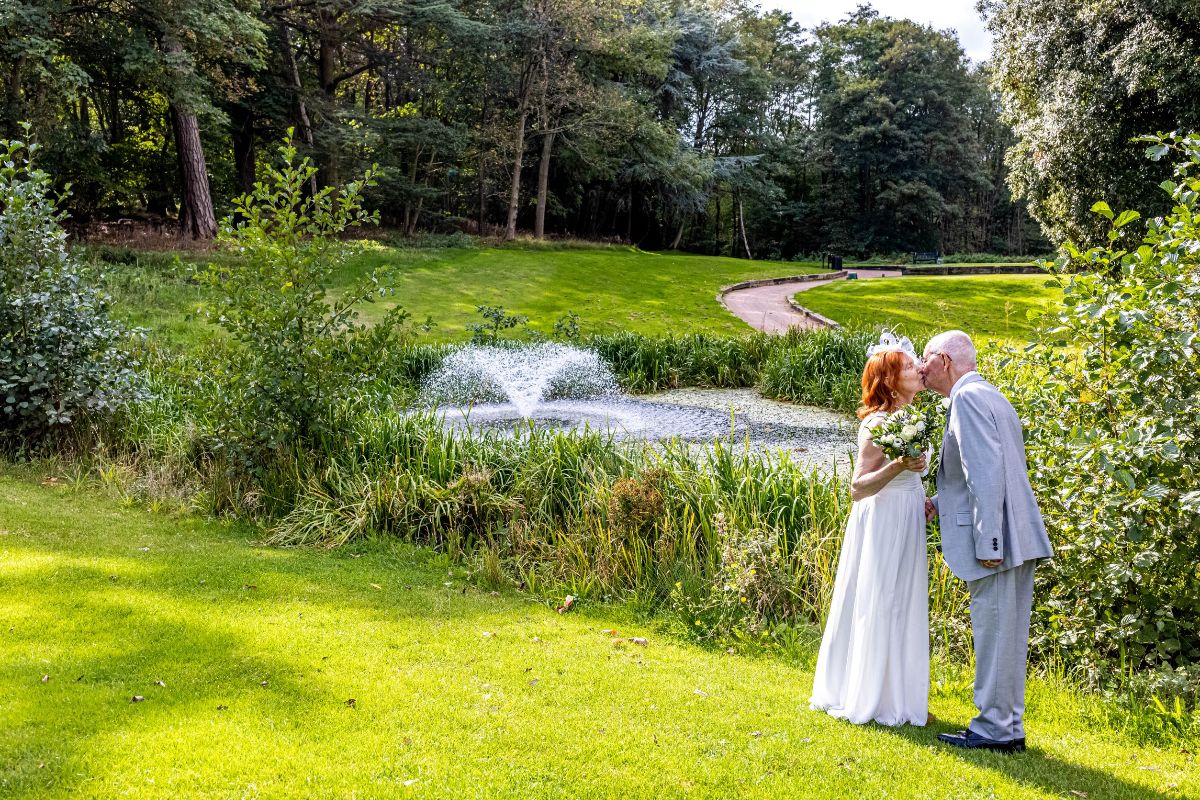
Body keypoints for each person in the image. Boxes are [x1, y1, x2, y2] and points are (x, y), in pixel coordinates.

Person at [919, 330, 1053, 753]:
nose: (921, 370)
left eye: (925, 360)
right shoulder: (992, 395)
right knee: (1007, 639)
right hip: (1019, 534)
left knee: (996, 636)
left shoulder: (967, 399)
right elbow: (991, 468)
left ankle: (994, 730)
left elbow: (986, 474)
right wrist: (941, 501)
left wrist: (989, 542)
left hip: (1000, 540)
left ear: (943, 360)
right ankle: (1007, 727)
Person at [810, 331, 930, 727]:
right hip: (882, 519)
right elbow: (858, 487)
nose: (918, 369)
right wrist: (898, 466)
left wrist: (923, 497)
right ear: (890, 380)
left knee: (903, 600)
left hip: (907, 513)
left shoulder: (910, 418)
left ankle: (899, 695)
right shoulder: (878, 423)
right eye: (909, 366)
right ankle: (871, 696)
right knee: (882, 599)